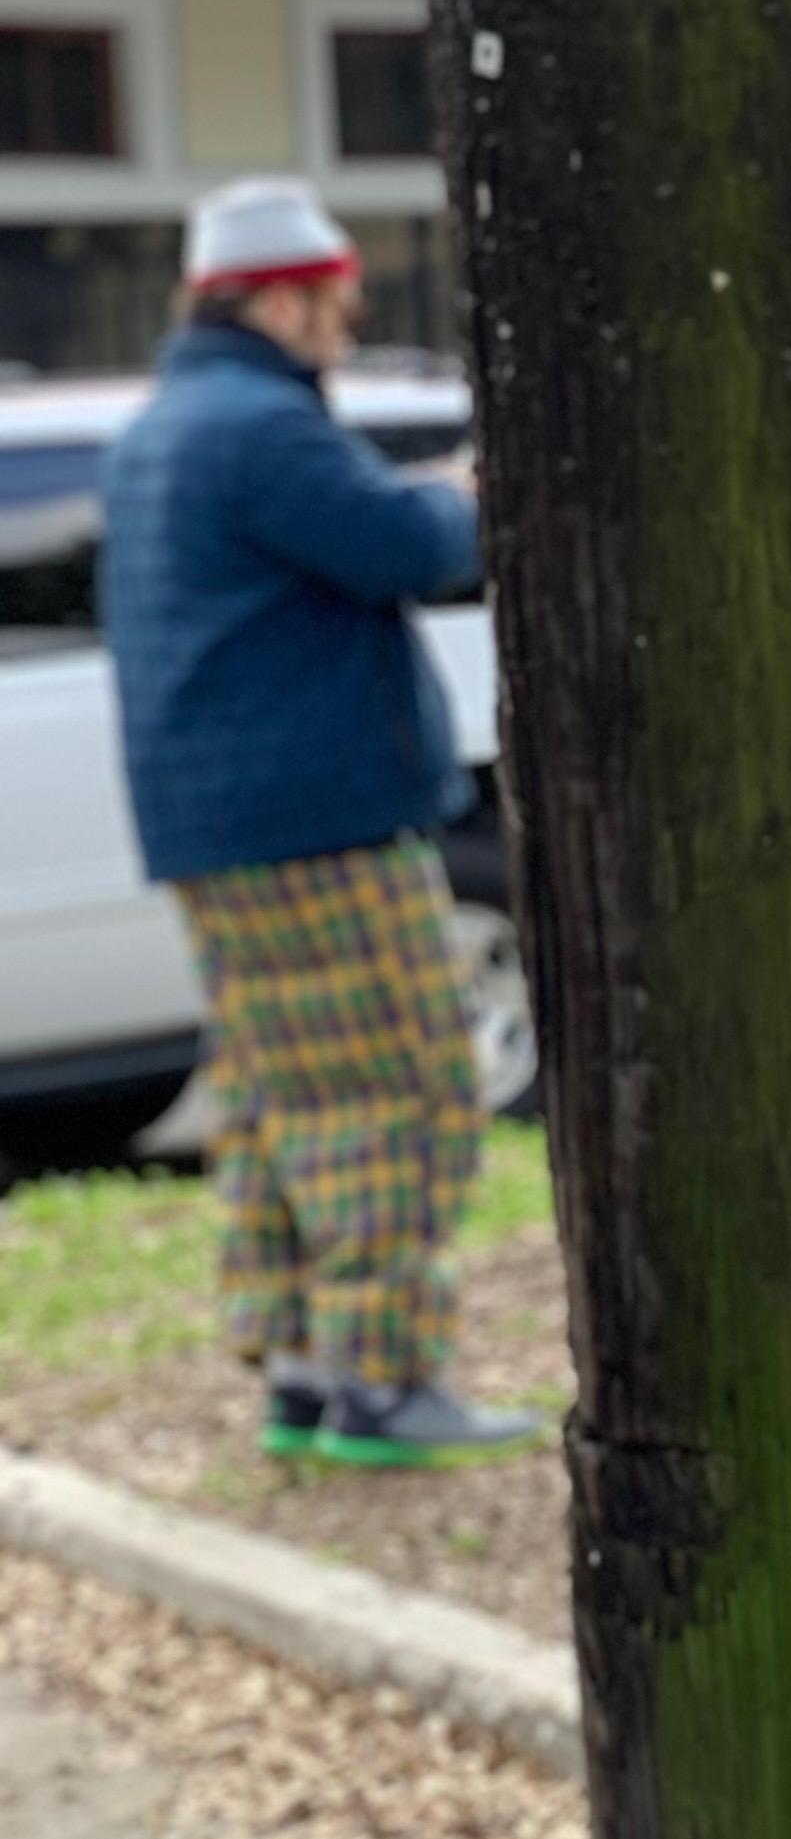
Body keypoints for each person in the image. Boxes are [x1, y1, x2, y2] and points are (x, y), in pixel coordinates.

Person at [96, 179, 533, 1470]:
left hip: (221, 825)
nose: (347, 328)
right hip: (319, 818)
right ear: (281, 301)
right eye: (340, 305)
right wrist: (468, 491)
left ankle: (296, 1365)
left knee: (276, 1094)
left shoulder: (168, 423)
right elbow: (406, 547)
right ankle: (385, 1382)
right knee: (402, 1079)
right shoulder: (260, 425)